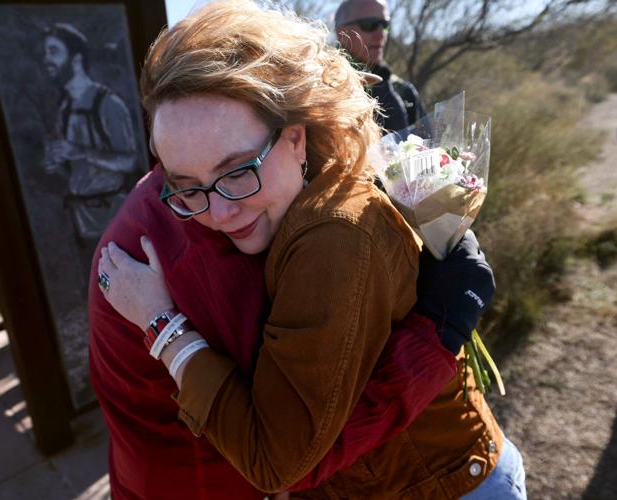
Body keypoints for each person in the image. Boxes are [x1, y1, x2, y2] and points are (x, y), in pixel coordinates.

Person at [93, 2, 527, 499]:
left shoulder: (332, 235)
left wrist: (161, 325)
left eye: (237, 171)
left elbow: (276, 463)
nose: (218, 213)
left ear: (296, 137)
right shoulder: (311, 187)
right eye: (186, 186)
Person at [40, 23, 139, 254]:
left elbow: (129, 162)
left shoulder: (108, 104)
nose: (47, 59)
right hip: (82, 221)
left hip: (113, 220)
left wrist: (80, 151)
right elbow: (72, 168)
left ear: (75, 59)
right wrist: (55, 162)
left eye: (53, 51)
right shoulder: (64, 108)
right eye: (45, 53)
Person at [335, 0, 426, 131]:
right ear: (341, 33)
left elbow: (428, 145)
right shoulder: (320, 89)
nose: (381, 35)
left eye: (385, 25)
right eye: (369, 25)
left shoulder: (404, 91)